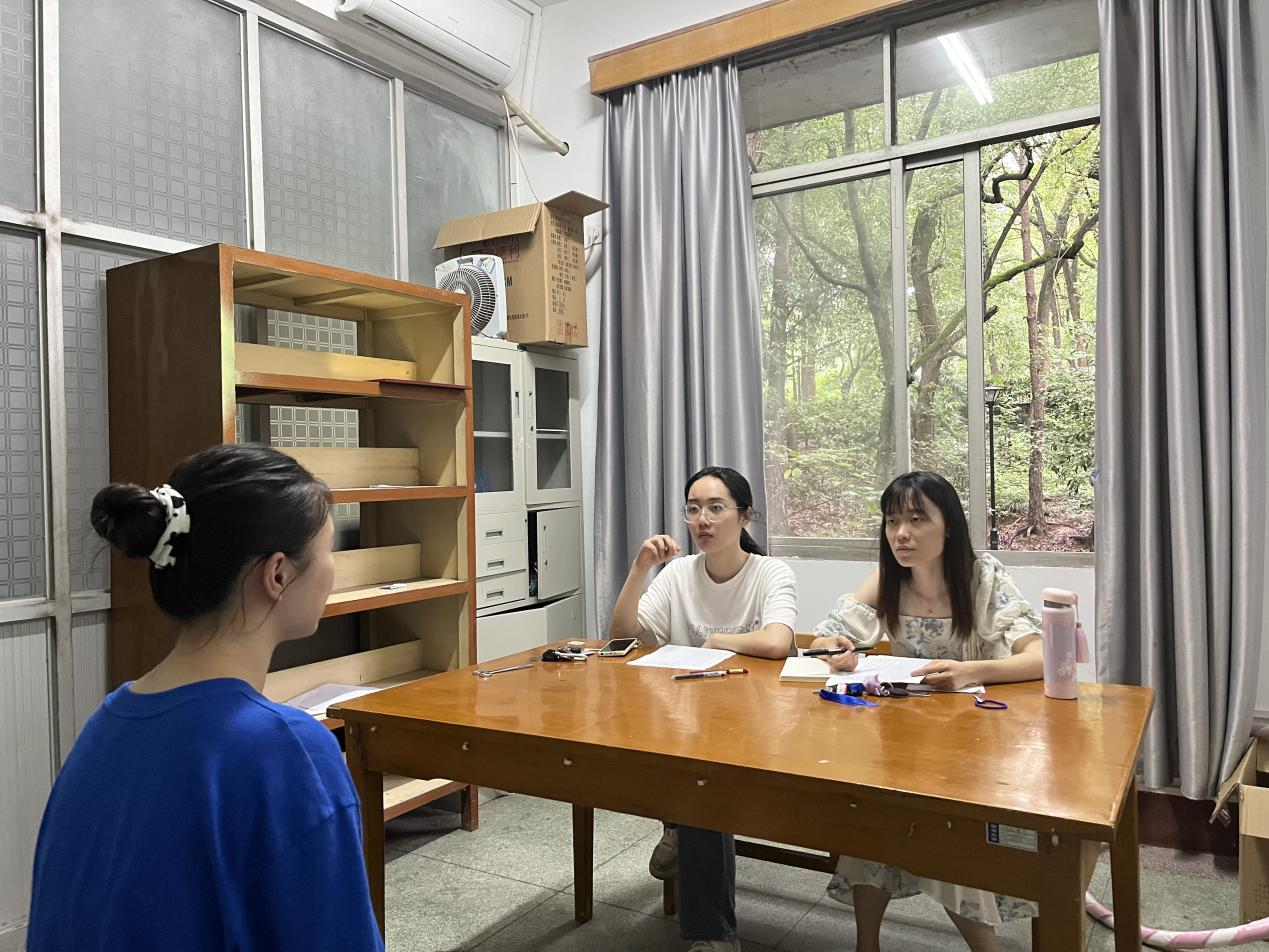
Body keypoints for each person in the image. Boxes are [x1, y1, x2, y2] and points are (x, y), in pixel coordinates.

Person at [27, 444, 383, 952]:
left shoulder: (104, 726)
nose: (333, 570)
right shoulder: (289, 753)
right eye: (328, 550)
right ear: (278, 574)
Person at [807, 471, 1043, 952]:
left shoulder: (983, 579)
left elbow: (1040, 657)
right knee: (871, 825)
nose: (901, 534)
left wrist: (968, 671)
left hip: (975, 747)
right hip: (904, 743)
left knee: (949, 844)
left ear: (949, 525)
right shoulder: (888, 580)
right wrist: (836, 648)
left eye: (917, 520)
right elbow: (825, 637)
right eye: (892, 521)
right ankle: (866, 944)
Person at [609, 466, 797, 952]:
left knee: (702, 791)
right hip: (681, 724)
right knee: (684, 778)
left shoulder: (770, 573)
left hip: (753, 725)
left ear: (744, 516)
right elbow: (622, 636)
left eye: (716, 508)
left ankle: (710, 928)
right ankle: (679, 824)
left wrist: (716, 640)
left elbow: (778, 642)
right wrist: (639, 569)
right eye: (693, 509)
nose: (702, 520)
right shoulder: (678, 573)